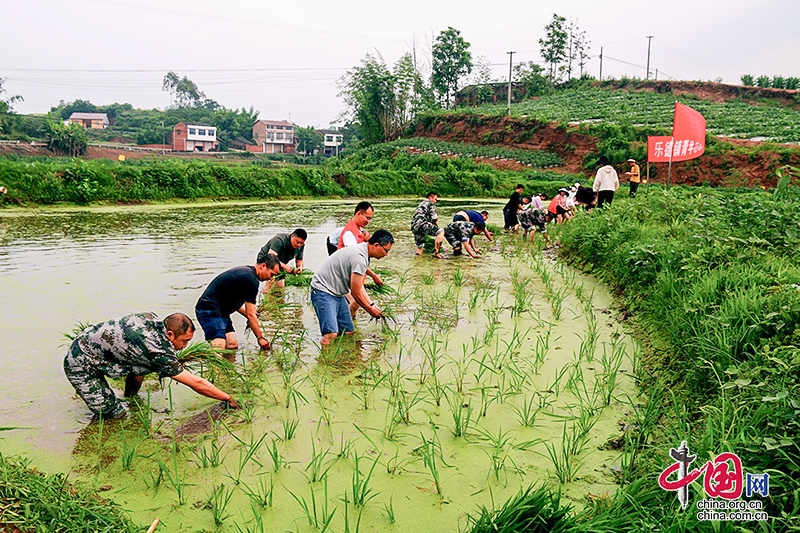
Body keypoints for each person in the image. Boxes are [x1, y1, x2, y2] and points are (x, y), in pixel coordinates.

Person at [64, 312, 239, 419]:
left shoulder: (152, 318)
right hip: (81, 362)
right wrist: (226, 397)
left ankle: (130, 398)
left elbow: (140, 359)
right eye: (184, 341)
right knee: (113, 414)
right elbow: (196, 383)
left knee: (142, 367)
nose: (184, 347)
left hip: (94, 347)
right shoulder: (157, 351)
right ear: (170, 334)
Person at [310, 230, 393, 345]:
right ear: (376, 245)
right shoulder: (359, 257)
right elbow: (355, 292)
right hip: (323, 290)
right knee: (331, 334)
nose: (386, 254)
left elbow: (359, 287)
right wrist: (369, 310)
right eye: (386, 250)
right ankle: (325, 361)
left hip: (337, 292)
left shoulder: (364, 253)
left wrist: (372, 305)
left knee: (348, 332)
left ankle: (344, 359)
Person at [195, 256, 281, 350]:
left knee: (232, 345)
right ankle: (214, 363)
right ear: (263, 266)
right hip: (208, 309)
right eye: (271, 274)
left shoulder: (248, 274)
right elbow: (251, 314)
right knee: (219, 344)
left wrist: (247, 313)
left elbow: (232, 299)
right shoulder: (251, 280)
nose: (270, 278)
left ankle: (228, 364)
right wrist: (260, 338)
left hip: (222, 311)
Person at [411, 192, 444, 258]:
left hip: (414, 226)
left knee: (420, 247)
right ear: (430, 197)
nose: (435, 201)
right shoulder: (430, 203)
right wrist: (435, 226)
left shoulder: (421, 204)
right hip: (422, 224)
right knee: (441, 231)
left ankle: (418, 261)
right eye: (435, 199)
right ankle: (436, 252)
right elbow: (434, 217)